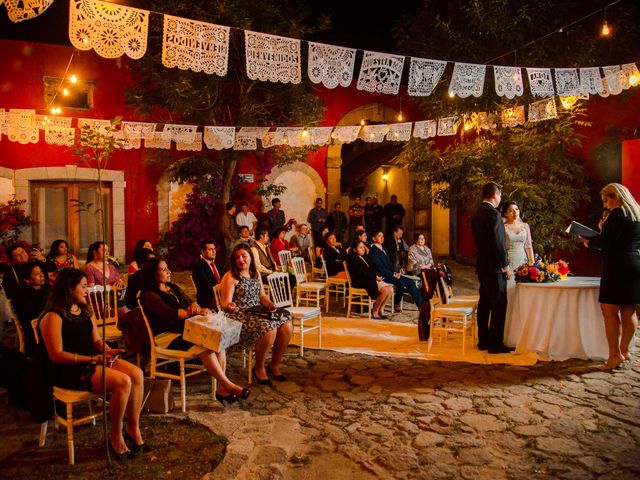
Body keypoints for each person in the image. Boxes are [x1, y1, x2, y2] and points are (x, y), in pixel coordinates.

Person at [39, 268, 144, 458]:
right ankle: (115, 435)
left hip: (92, 360)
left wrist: (106, 350)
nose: (87, 290)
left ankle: (132, 428)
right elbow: (56, 355)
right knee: (123, 382)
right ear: (69, 289)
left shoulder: (84, 309)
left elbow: (96, 339)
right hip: (69, 368)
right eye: (83, 286)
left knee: (136, 374)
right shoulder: (52, 316)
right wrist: (93, 359)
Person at [140, 258, 249, 404]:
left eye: (167, 268)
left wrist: (196, 307)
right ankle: (228, 385)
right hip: (167, 336)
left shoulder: (172, 287)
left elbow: (189, 302)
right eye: (163, 269)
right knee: (206, 349)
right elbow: (169, 313)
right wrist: (191, 312)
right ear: (153, 273)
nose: (169, 271)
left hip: (186, 330)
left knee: (218, 343)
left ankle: (221, 388)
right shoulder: (149, 294)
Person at [582, 183, 640, 371]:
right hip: (634, 264)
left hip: (617, 267)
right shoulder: (636, 213)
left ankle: (614, 356)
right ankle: (625, 351)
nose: (606, 205)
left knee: (610, 311)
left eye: (606, 200)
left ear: (615, 196)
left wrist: (589, 241)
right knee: (629, 311)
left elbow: (605, 242)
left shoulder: (617, 213)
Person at [220, 244, 293, 385]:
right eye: (237, 258)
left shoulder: (255, 273)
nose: (241, 260)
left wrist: (269, 303)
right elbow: (225, 304)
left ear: (250, 258)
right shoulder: (230, 276)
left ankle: (274, 365)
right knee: (269, 328)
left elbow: (262, 296)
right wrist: (230, 306)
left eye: (244, 256)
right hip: (239, 315)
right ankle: (259, 368)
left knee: (287, 326)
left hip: (257, 311)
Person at [471, 182, 512, 354]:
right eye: (500, 195)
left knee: (485, 303)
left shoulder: (477, 214)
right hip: (494, 267)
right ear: (495, 195)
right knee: (499, 304)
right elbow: (498, 244)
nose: (500, 199)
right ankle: (495, 343)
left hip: (482, 265)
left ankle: (483, 340)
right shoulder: (493, 215)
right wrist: (505, 266)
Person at [369, 230, 423, 312]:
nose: (382, 238)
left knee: (409, 281)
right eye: (379, 236)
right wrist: (392, 274)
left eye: (382, 236)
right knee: (401, 282)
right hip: (382, 276)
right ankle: (397, 303)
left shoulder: (384, 249)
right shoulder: (373, 250)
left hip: (390, 274)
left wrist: (395, 272)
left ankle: (421, 305)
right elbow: (380, 267)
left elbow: (389, 264)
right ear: (373, 238)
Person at [347, 240, 394, 319]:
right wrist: (374, 277)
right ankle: (375, 310)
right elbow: (361, 273)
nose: (363, 249)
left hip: (370, 278)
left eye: (363, 247)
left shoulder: (364, 257)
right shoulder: (353, 259)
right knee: (385, 291)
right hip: (360, 281)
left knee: (391, 289)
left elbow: (371, 269)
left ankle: (381, 309)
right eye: (360, 248)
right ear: (355, 250)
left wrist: (377, 275)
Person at [12, 262, 51, 355]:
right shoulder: (21, 294)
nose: (41, 275)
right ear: (27, 279)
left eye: (41, 272)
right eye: (36, 273)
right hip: (34, 327)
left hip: (48, 320)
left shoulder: (46, 288)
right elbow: (34, 313)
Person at [502, 201, 534, 273]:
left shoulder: (525, 226)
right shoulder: (503, 227)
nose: (515, 212)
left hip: (523, 260)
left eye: (516, 209)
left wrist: (532, 264)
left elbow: (529, 246)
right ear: (505, 214)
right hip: (509, 260)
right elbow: (501, 247)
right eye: (511, 211)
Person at [191, 242, 225, 311]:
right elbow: (208, 288)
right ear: (203, 252)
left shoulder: (218, 264)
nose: (214, 251)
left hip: (221, 296)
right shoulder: (199, 267)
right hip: (208, 300)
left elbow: (225, 279)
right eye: (210, 249)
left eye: (214, 249)